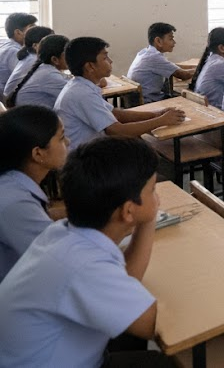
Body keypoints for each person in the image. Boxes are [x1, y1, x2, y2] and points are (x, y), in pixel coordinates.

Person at [0, 136, 172, 367]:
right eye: (152, 190)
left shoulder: (63, 234)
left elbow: (130, 277)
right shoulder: (82, 265)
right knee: (164, 361)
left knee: (129, 340)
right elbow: (150, 324)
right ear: (128, 211)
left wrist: (148, 216)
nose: (157, 196)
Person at [54, 37, 185, 149]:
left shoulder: (82, 86)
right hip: (82, 160)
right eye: (105, 58)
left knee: (140, 146)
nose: (110, 61)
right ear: (90, 66)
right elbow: (117, 131)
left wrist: (156, 114)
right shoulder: (82, 93)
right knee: (143, 151)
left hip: (88, 150)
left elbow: (116, 114)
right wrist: (161, 120)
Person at [0, 106, 69, 282]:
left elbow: (40, 217)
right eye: (61, 138)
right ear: (38, 153)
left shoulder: (12, 183)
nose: (67, 142)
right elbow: (63, 261)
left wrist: (86, 210)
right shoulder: (14, 201)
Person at [126, 23, 195, 104]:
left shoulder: (145, 52)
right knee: (190, 100)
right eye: (171, 39)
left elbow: (173, 67)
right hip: (149, 102)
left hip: (140, 98)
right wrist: (201, 69)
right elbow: (184, 75)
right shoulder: (154, 57)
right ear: (158, 41)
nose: (174, 42)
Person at [6, 34, 70, 109]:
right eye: (67, 55)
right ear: (55, 60)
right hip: (30, 118)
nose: (71, 58)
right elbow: (75, 94)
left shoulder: (45, 69)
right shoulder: (49, 75)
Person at [189, 27, 224, 108]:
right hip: (216, 110)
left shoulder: (213, 60)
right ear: (221, 48)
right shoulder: (220, 65)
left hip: (209, 108)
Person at [3, 25, 53, 100]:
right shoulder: (35, 61)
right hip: (15, 105)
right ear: (36, 46)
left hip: (11, 101)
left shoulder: (29, 56)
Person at [0, 12, 38, 90]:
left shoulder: (6, 45)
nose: (36, 31)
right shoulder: (13, 52)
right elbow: (29, 79)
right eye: (32, 28)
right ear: (18, 32)